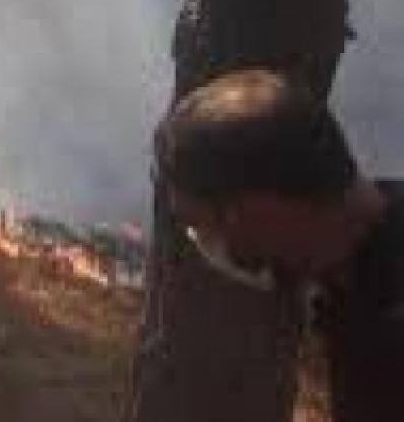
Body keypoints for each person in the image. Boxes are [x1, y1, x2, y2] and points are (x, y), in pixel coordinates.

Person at [156, 68, 404, 421]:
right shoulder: (348, 280)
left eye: (203, 226)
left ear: (257, 210)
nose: (210, 247)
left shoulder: (387, 308)